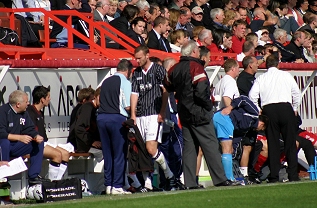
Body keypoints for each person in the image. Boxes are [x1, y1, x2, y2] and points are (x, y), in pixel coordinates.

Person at [164, 40, 233, 188]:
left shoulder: (174, 69)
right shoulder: (196, 67)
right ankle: (220, 179)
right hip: (199, 112)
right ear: (194, 52)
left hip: (184, 112)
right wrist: (208, 106)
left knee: (189, 149)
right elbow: (201, 91)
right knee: (211, 145)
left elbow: (167, 85)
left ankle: (189, 182)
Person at [249, 54, 301, 183]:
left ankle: (274, 176)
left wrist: (258, 109)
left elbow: (252, 95)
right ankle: (293, 175)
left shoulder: (261, 78)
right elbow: (297, 93)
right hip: (285, 108)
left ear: (266, 65)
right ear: (278, 64)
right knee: (290, 142)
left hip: (269, 109)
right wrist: (294, 108)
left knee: (273, 144)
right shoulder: (286, 75)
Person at [130, 45, 176, 191]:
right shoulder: (136, 73)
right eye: (135, 58)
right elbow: (134, 94)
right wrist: (133, 115)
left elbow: (165, 91)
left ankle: (169, 175)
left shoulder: (158, 70)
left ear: (147, 55)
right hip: (140, 115)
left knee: (151, 148)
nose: (137, 61)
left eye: (139, 58)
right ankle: (148, 184)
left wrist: (162, 112)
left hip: (154, 114)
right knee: (143, 151)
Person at [97, 59, 133, 195]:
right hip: (117, 119)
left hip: (101, 118)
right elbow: (127, 105)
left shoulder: (106, 81)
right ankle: (117, 185)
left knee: (108, 154)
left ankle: (108, 184)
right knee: (119, 153)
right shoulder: (125, 82)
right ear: (128, 71)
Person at [0, 90, 46, 184]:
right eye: (26, 102)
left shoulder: (24, 113)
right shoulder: (3, 111)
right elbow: (1, 133)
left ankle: (33, 177)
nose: (28, 104)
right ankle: (4, 176)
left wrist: (35, 135)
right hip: (3, 146)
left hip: (16, 146)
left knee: (38, 143)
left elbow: (29, 128)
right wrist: (19, 138)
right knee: (5, 142)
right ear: (18, 104)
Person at [27, 86, 69, 181]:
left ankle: (58, 181)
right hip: (35, 144)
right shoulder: (30, 112)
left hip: (44, 142)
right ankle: (52, 183)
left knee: (66, 154)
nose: (50, 99)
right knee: (57, 155)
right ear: (42, 99)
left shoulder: (40, 113)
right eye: (48, 96)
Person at [212, 58, 240, 182]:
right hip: (223, 115)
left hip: (217, 115)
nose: (239, 70)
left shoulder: (221, 81)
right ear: (233, 68)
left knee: (225, 148)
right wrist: (231, 110)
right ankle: (228, 178)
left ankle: (227, 177)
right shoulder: (230, 81)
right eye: (238, 68)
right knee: (227, 147)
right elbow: (226, 97)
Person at [74, 88, 102, 154]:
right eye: (101, 98)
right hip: (84, 146)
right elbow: (79, 128)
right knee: (104, 155)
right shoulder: (88, 108)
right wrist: (92, 141)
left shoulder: (96, 109)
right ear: (95, 97)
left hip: (91, 144)